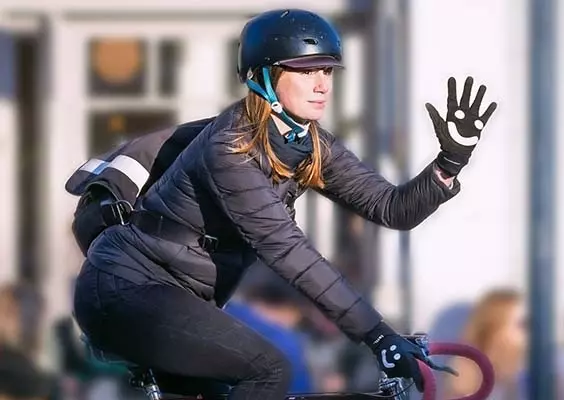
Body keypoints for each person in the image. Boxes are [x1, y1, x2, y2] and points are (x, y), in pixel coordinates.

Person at [72, 8, 497, 400]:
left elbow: (392, 208)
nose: (322, 84)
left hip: (178, 298)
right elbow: (288, 252)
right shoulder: (229, 150)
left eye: (327, 70)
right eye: (306, 70)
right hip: (125, 291)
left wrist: (449, 163)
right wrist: (379, 336)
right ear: (264, 77)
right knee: (268, 371)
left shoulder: (309, 143)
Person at [444, 289, 527, 399]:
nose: (528, 335)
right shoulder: (466, 370)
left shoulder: (520, 372)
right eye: (522, 325)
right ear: (495, 329)